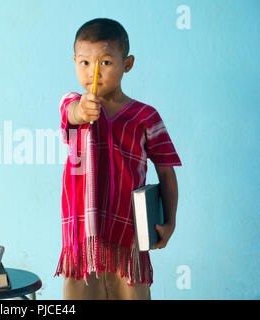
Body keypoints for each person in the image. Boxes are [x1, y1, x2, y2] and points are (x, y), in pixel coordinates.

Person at [54, 18, 182, 300]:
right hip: (83, 240)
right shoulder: (73, 103)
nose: (94, 72)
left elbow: (167, 173)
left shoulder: (146, 117)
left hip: (129, 238)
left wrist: (169, 222)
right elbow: (72, 113)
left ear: (128, 64)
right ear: (74, 61)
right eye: (85, 62)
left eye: (106, 63)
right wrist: (82, 110)